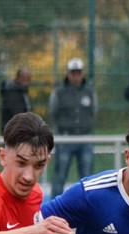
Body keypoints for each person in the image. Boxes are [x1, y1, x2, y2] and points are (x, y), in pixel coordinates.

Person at [48, 57, 97, 198]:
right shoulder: (59, 92)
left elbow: (93, 111)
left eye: (78, 73)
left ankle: (88, 204)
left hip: (85, 138)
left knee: (87, 177)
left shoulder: (89, 92)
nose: (76, 76)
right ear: (68, 74)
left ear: (82, 74)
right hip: (65, 139)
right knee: (60, 175)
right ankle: (55, 204)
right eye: (73, 73)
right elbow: (53, 111)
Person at [0, 67, 33, 133]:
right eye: (23, 77)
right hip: (15, 130)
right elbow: (17, 113)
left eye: (28, 78)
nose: (26, 80)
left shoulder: (22, 91)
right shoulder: (12, 92)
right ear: (17, 78)